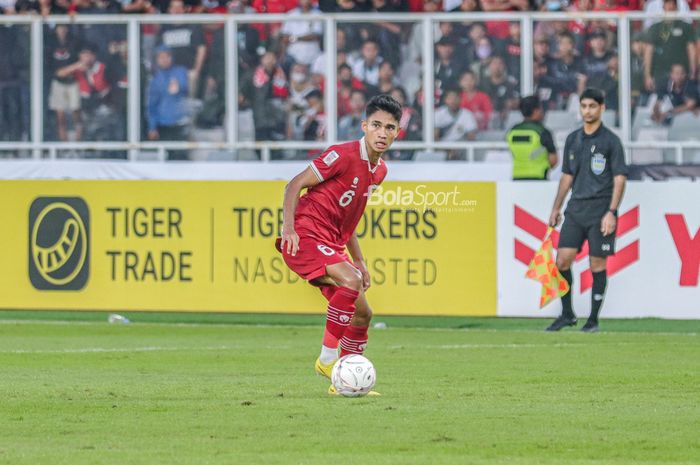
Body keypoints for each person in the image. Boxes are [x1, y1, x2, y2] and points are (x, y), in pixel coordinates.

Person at [276, 94, 402, 396]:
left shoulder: (380, 171)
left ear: (398, 132)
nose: (382, 133)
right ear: (364, 126)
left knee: (363, 313)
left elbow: (350, 219)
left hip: (331, 242)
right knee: (350, 281)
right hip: (305, 236)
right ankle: (327, 359)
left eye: (390, 127)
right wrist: (289, 229)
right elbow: (294, 184)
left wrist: (360, 261)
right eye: (376, 125)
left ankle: (342, 381)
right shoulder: (342, 155)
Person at [546, 88, 628, 333]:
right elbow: (567, 175)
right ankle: (567, 314)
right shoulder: (573, 139)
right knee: (562, 260)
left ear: (602, 108)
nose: (587, 111)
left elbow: (620, 178)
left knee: (597, 263)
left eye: (592, 106)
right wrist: (556, 207)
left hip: (600, 211)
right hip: (576, 209)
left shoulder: (610, 141)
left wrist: (611, 212)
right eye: (584, 106)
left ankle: (592, 320)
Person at [507, 95, 557, 180]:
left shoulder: (512, 131)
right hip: (539, 179)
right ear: (536, 111)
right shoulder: (542, 131)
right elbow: (553, 160)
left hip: (517, 178)